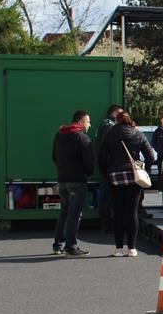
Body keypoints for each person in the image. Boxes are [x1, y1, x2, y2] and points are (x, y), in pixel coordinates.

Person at [98, 111, 156, 257]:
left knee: (118, 211)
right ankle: (132, 248)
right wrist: (144, 169)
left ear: (117, 120)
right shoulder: (137, 133)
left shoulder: (111, 133)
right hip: (133, 176)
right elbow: (151, 156)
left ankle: (118, 248)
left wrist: (107, 173)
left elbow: (102, 157)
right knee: (132, 211)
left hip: (116, 176)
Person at [51, 110, 94, 257]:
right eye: (88, 121)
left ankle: (58, 245)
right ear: (81, 122)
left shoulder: (59, 134)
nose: (89, 124)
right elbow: (89, 163)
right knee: (74, 215)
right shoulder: (82, 138)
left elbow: (54, 156)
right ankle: (71, 246)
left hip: (62, 179)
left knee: (64, 212)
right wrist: (87, 173)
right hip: (77, 180)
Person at [95, 104, 123, 232]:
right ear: (115, 113)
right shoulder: (109, 126)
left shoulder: (104, 125)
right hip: (109, 166)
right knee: (108, 196)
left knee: (106, 196)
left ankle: (106, 223)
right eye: (120, 114)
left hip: (104, 164)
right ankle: (107, 224)